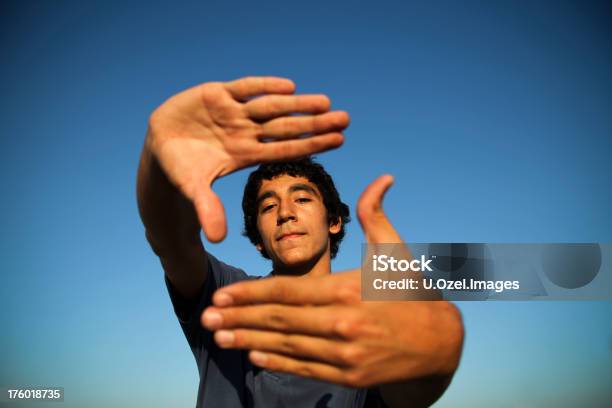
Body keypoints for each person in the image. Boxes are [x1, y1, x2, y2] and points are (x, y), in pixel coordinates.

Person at [137, 76, 464, 407]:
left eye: (303, 199)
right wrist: (158, 163)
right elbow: (171, 239)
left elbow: (407, 390)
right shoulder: (228, 296)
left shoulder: (365, 319)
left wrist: (439, 346)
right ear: (258, 242)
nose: (285, 213)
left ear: (333, 221)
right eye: (267, 206)